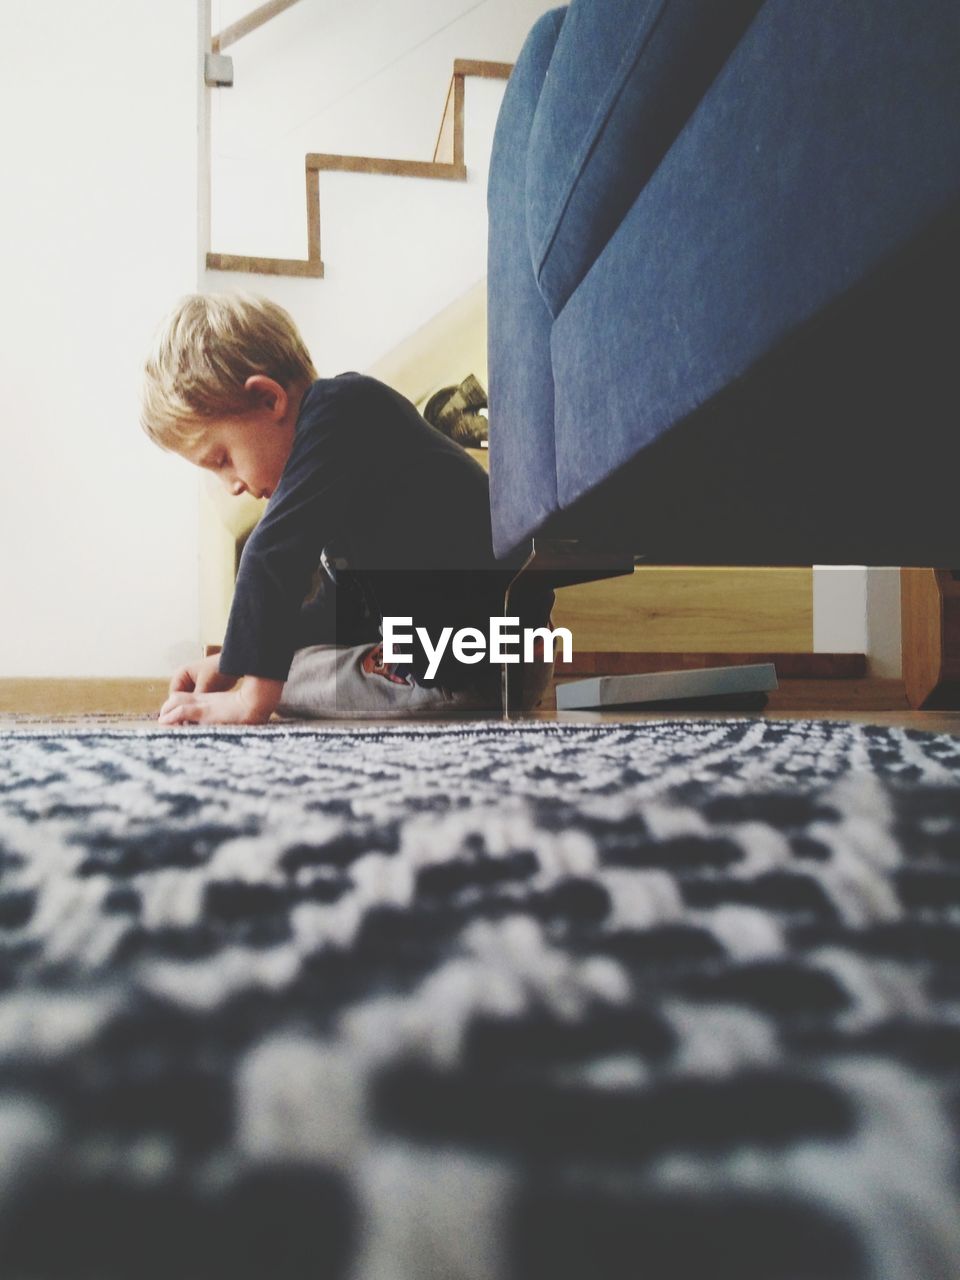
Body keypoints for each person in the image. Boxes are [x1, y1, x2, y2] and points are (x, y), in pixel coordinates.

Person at [139, 293, 554, 725]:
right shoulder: (351, 448)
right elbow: (340, 611)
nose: (233, 486)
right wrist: (232, 661)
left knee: (289, 678)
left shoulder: (340, 412)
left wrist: (251, 698)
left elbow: (271, 554)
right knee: (292, 656)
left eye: (222, 458)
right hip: (496, 659)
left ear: (268, 399)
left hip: (478, 671)